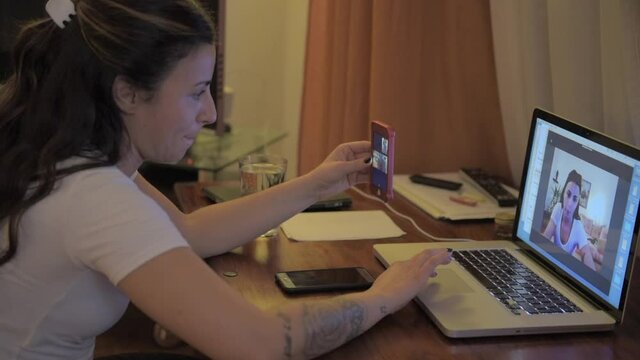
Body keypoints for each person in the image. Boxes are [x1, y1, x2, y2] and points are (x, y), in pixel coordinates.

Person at [0, 1, 452, 359]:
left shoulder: (70, 155)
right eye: (196, 92)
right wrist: (384, 297)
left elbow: (190, 233)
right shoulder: (96, 198)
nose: (212, 113)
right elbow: (261, 343)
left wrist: (317, 184)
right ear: (128, 92)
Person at [542, 170, 602, 270]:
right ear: (563, 193)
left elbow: (587, 256)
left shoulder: (578, 227)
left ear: (577, 202)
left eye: (574, 199)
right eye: (568, 194)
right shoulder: (558, 208)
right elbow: (545, 237)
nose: (570, 204)